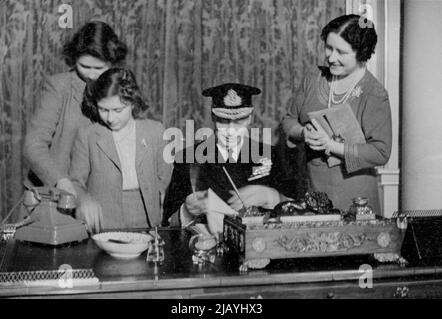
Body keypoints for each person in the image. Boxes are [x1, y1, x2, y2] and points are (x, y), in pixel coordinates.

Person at [281, 14, 392, 214]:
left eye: (341, 52)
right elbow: (289, 120)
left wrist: (331, 146)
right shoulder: (313, 79)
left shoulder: (374, 93)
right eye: (329, 48)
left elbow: (381, 152)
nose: (331, 57)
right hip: (312, 191)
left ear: (361, 53)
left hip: (356, 198)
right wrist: (303, 133)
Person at [162, 83, 292, 230]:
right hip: (206, 247)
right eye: (223, 121)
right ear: (212, 117)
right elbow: (167, 224)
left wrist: (273, 197)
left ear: (250, 118)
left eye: (239, 121)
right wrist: (186, 211)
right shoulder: (188, 159)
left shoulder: (271, 156)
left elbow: (300, 212)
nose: (230, 130)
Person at [24, 21, 127, 197]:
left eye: (99, 68)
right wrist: (60, 180)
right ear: (74, 59)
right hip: (55, 193)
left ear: (113, 62)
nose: (92, 75)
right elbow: (34, 145)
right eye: (85, 67)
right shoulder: (58, 87)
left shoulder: (122, 86)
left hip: (101, 197)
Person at [69, 68, 172, 233]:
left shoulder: (156, 131)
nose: (110, 118)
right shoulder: (87, 135)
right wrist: (84, 200)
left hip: (147, 221)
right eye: (103, 109)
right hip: (103, 224)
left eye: (118, 110)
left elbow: (165, 179)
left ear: (132, 102)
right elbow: (75, 183)